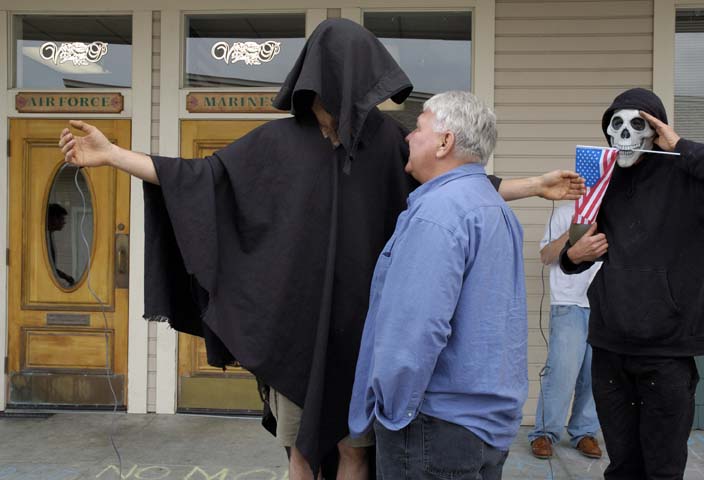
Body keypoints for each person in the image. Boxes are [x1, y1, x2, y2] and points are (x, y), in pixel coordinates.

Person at [59, 20, 584, 480]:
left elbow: (460, 184)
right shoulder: (275, 144)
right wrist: (112, 155)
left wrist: (533, 185)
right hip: (297, 333)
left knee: (355, 453)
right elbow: (198, 178)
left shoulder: (388, 142)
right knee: (301, 453)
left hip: (364, 335)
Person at [349, 91, 527, 480]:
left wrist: (392, 410)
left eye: (418, 128)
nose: (408, 137)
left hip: (432, 426)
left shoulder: (438, 212)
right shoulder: (496, 209)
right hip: (486, 427)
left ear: (445, 142)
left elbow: (415, 328)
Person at [561, 87, 704, 479]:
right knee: (622, 467)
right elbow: (576, 252)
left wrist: (680, 146)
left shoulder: (691, 181)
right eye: (616, 125)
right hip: (610, 347)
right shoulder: (602, 179)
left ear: (656, 130)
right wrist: (573, 255)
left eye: (637, 125)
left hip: (667, 352)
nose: (625, 134)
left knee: (662, 470)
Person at [529, 202, 602, 460]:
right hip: (569, 302)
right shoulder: (564, 212)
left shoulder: (617, 209)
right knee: (561, 372)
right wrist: (572, 231)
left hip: (607, 304)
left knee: (596, 375)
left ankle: (585, 432)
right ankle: (544, 433)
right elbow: (546, 256)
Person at [47, 203, 75, 285]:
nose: (64, 222)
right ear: (54, 218)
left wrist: (65, 276)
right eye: (62, 219)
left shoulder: (50, 235)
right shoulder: (42, 238)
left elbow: (51, 267)